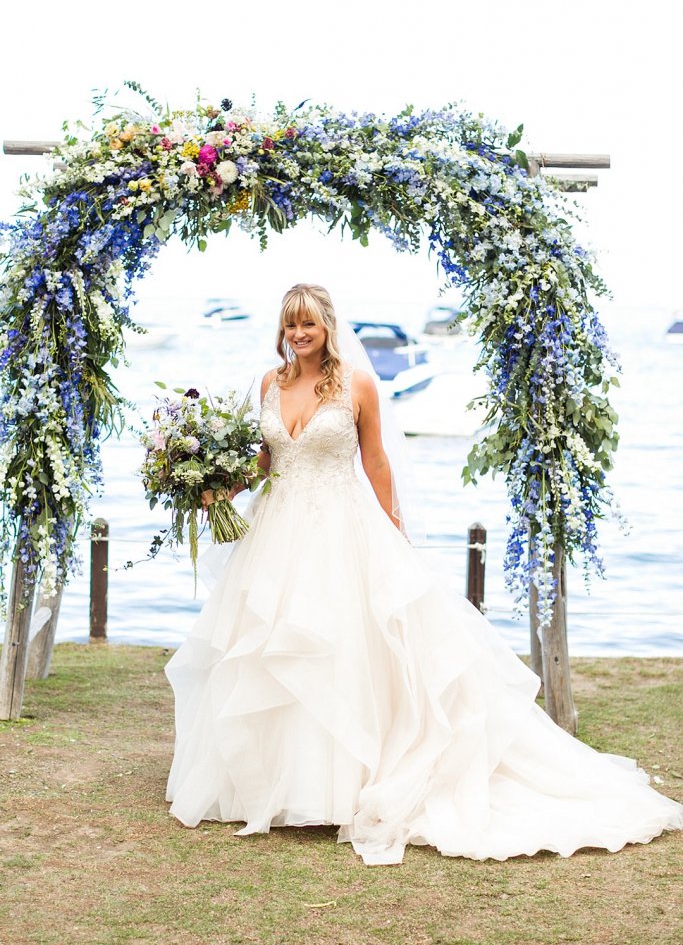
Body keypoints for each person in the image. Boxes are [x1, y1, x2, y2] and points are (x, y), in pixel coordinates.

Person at [165, 283, 683, 866]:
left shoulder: (357, 384)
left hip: (343, 528)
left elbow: (376, 461)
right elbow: (265, 459)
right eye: (291, 325)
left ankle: (346, 786)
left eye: (309, 324)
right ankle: (283, 787)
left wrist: (394, 531)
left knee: (347, 647)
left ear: (328, 326)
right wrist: (215, 489)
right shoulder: (270, 382)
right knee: (273, 647)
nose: (299, 334)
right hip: (276, 531)